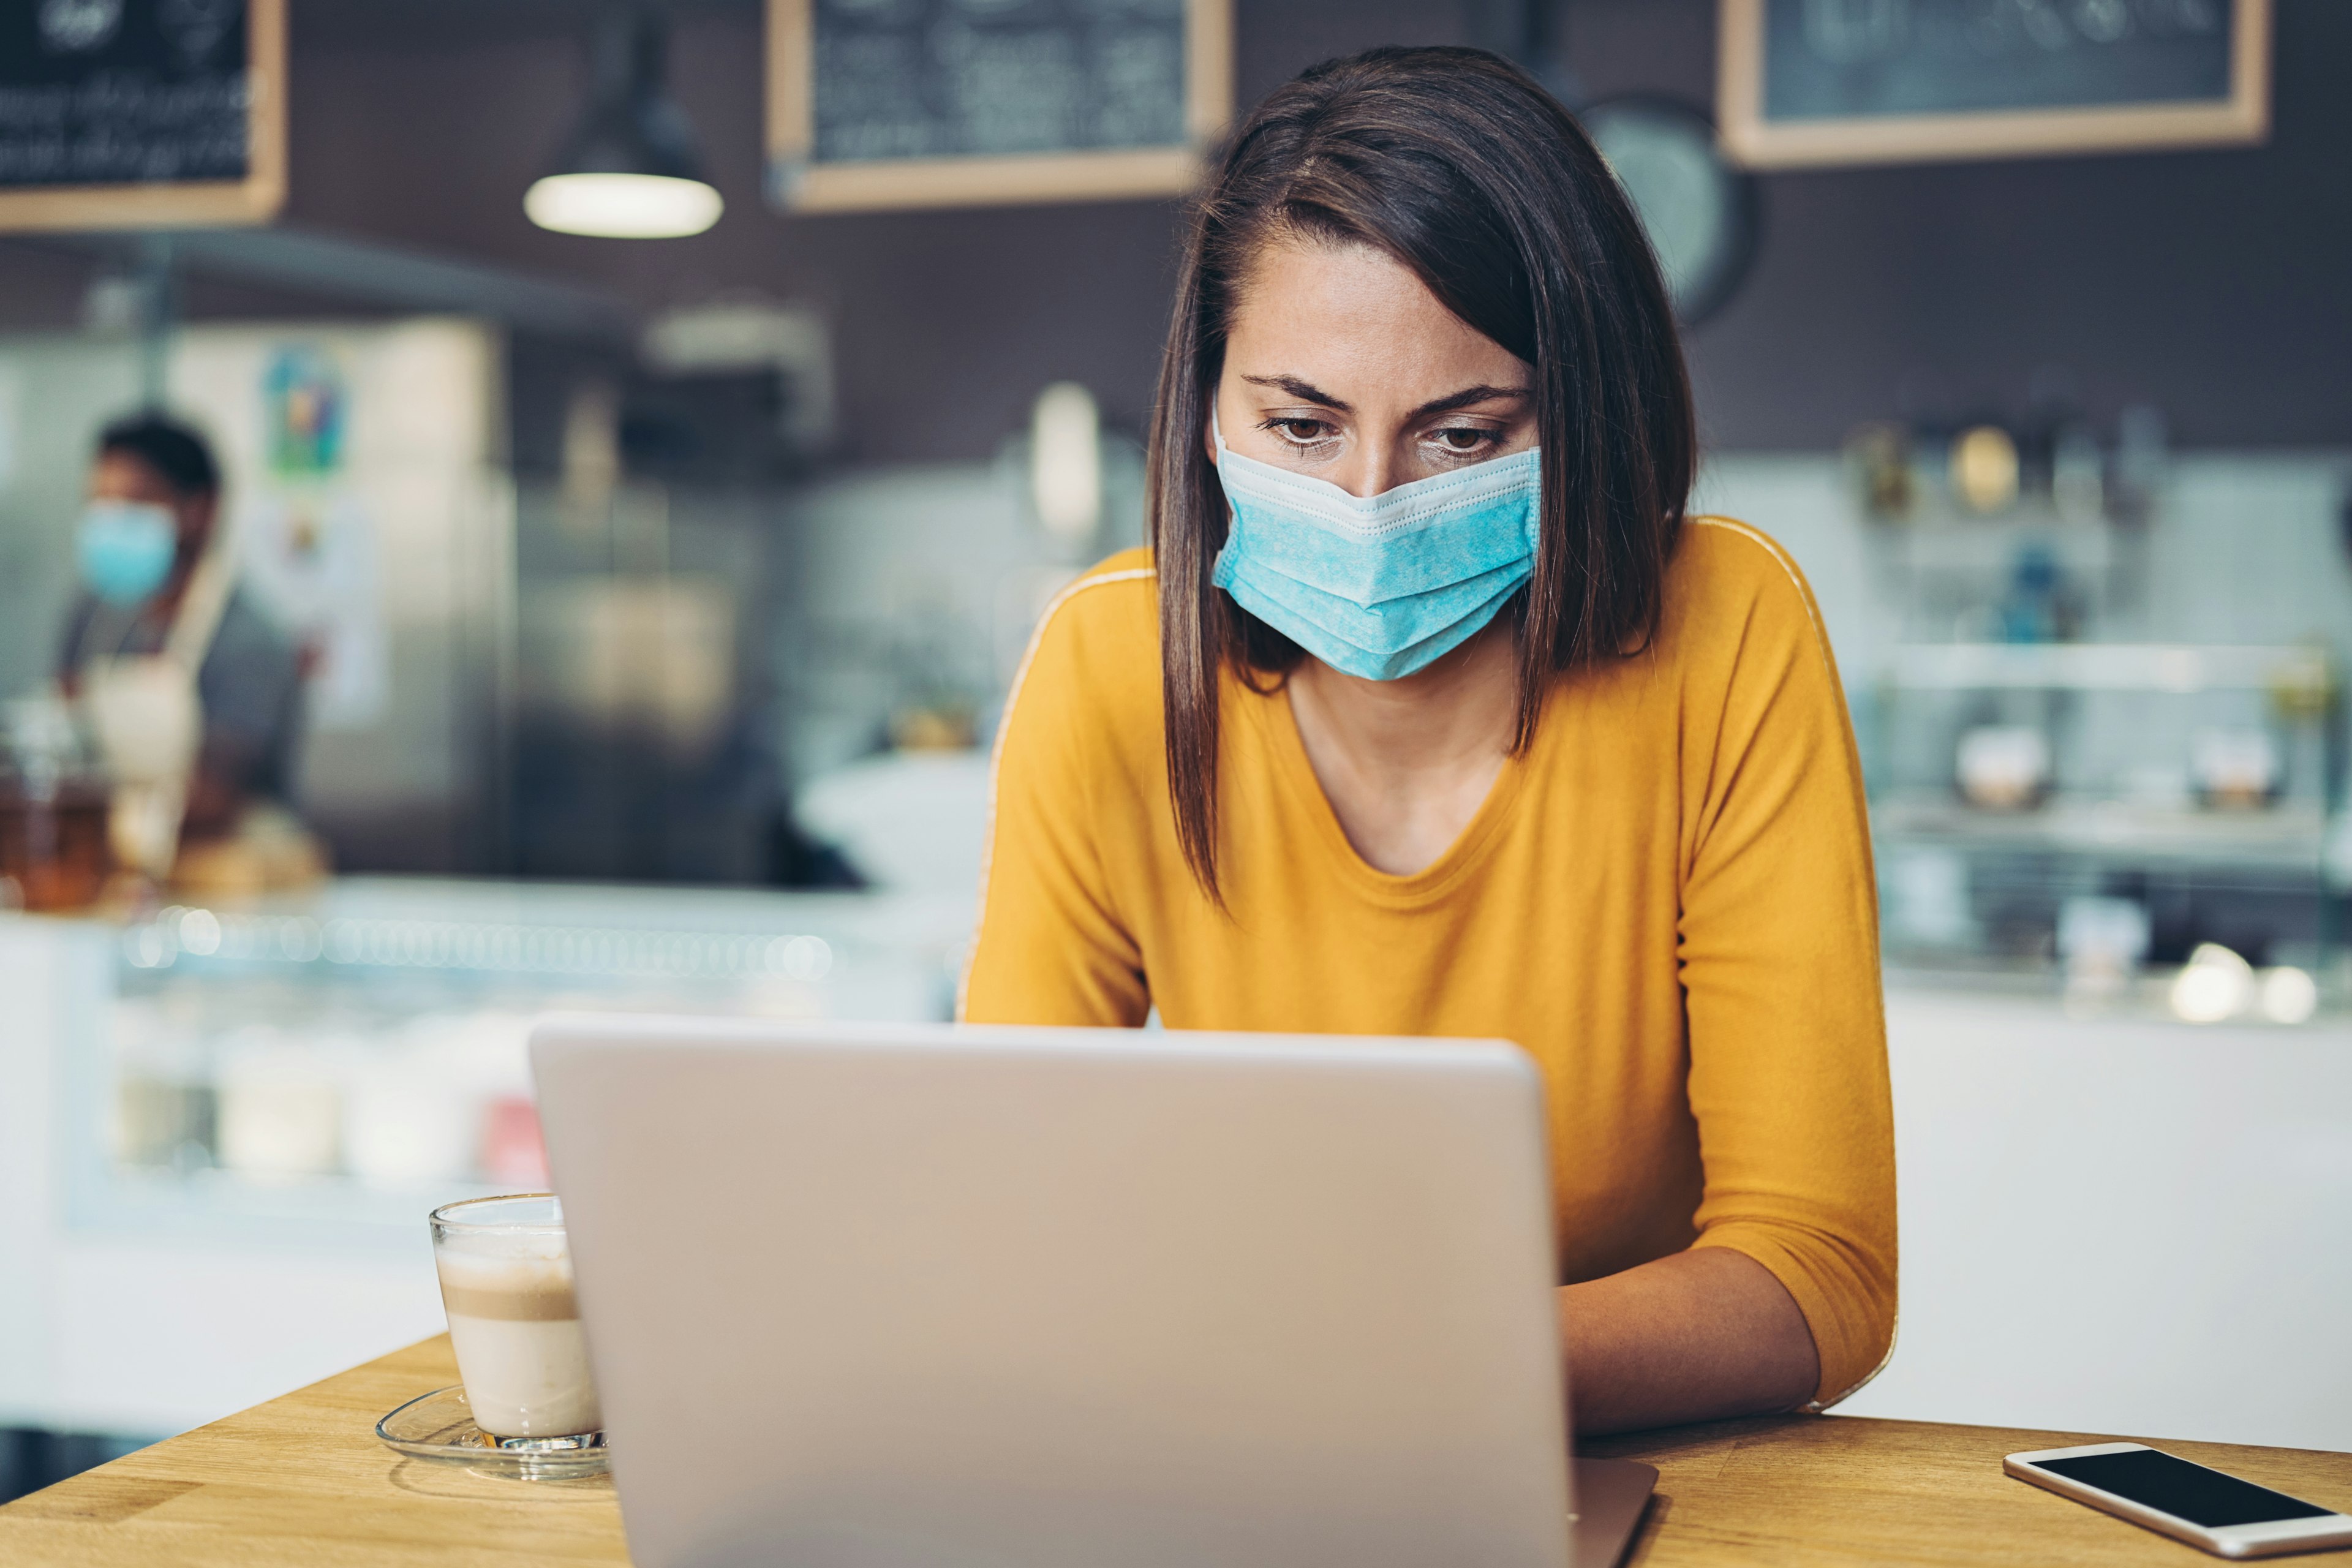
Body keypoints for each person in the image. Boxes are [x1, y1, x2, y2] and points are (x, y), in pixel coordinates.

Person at [961, 47, 1895, 1436]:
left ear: (1584, 416)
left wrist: (1391, 1375)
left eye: (1461, 435)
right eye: (1298, 425)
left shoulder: (1726, 630)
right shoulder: (1109, 664)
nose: (1368, 500)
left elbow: (1816, 1274)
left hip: (1634, 1467)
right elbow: (1003, 1203)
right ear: (1203, 406)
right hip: (1240, 1448)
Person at [58, 413, 308, 867]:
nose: (111, 522)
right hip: (112, 875)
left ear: (200, 509)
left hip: (224, 880)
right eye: (99, 503)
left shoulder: (248, 639)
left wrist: (78, 814)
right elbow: (63, 729)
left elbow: (214, 796)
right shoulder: (94, 616)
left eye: (134, 503)